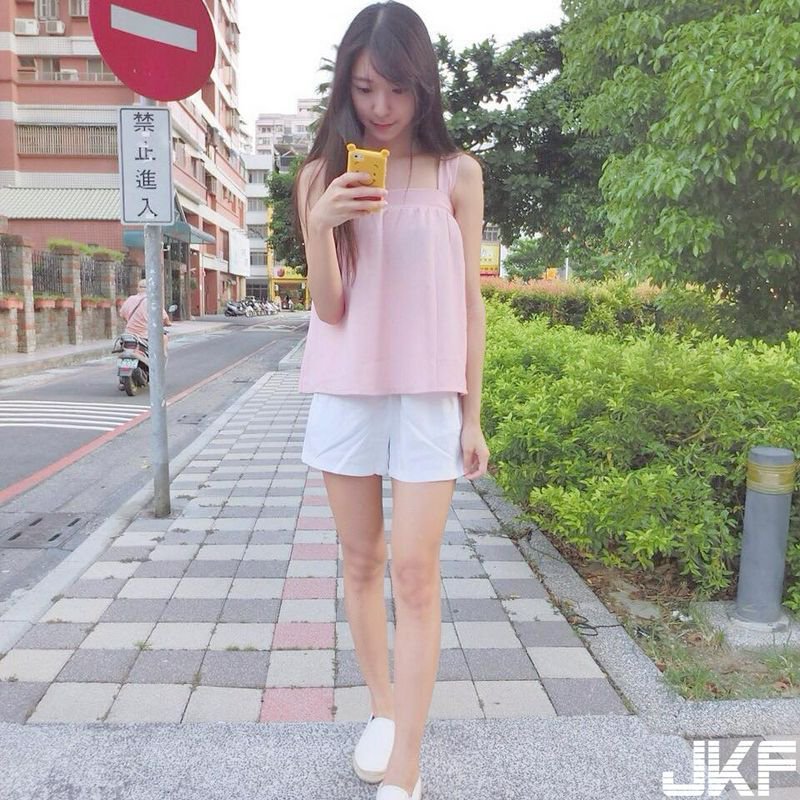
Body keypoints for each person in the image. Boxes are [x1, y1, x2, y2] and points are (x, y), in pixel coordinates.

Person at [294, 4, 490, 799]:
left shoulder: (457, 174)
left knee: (415, 572)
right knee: (362, 559)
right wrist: (319, 225)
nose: (381, 107)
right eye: (365, 87)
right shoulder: (322, 175)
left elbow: (470, 304)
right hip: (347, 388)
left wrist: (473, 414)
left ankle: (406, 761)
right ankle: (380, 708)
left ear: (424, 87)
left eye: (398, 89)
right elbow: (330, 309)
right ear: (346, 85)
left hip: (428, 395)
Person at [118, 278, 172, 349]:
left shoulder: (130, 299)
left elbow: (122, 315)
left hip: (129, 334)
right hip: (146, 335)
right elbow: (165, 319)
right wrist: (168, 323)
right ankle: (161, 356)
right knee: (164, 338)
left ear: (138, 288)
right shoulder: (152, 301)